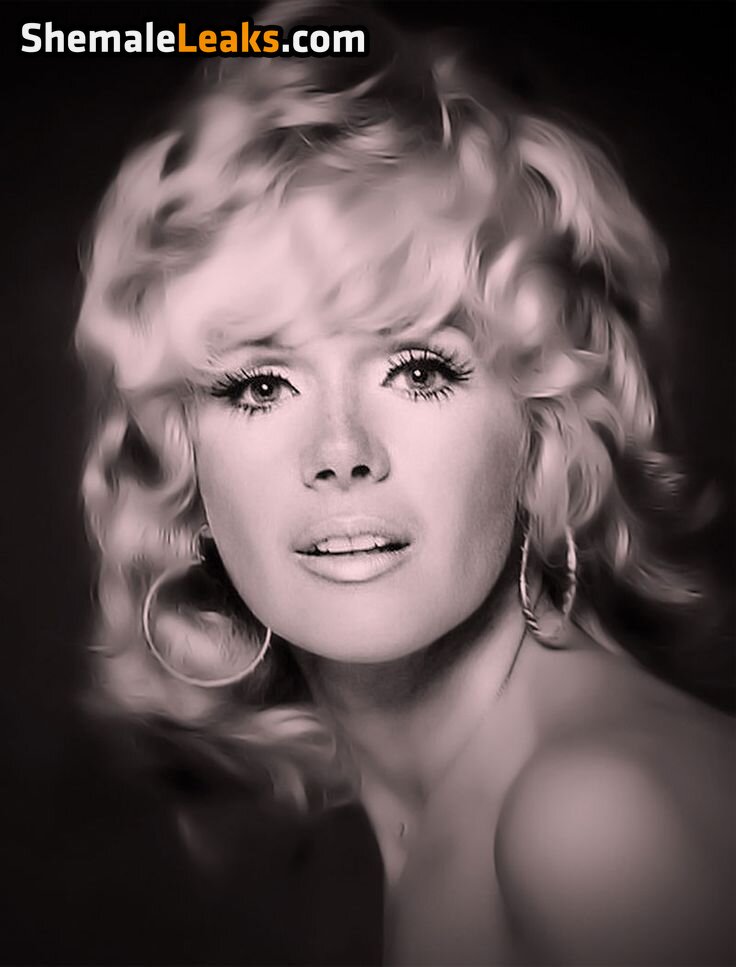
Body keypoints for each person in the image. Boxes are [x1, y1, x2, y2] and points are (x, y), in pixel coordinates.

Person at [74, 2, 734, 963]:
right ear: (184, 467)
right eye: (261, 385)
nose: (341, 450)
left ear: (545, 428)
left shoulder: (598, 823)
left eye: (420, 369)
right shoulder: (449, 810)